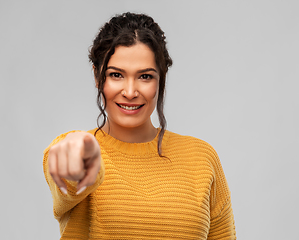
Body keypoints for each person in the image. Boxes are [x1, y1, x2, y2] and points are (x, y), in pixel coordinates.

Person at [43, 12, 236, 239]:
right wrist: (80, 150)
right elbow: (70, 179)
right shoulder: (72, 148)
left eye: (145, 77)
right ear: (97, 77)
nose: (130, 92)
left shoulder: (202, 158)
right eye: (116, 75)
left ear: (161, 79)